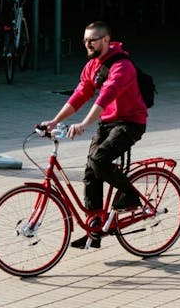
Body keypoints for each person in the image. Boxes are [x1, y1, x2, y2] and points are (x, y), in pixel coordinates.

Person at [41, 21, 148, 250]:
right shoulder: (92, 66)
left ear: (107, 40)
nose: (87, 44)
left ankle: (130, 195)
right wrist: (53, 122)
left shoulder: (122, 66)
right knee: (91, 171)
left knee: (99, 159)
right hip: (108, 122)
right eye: (85, 40)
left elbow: (105, 97)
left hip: (130, 123)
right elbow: (80, 95)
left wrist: (84, 124)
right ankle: (94, 230)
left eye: (92, 40)